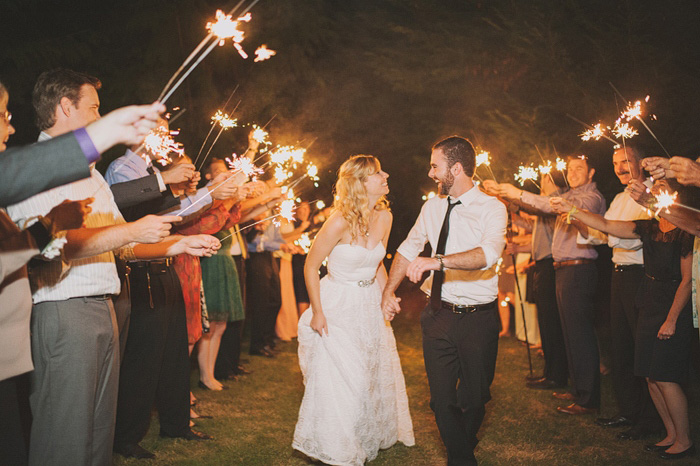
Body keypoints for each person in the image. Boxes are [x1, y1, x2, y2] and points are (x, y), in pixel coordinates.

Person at [6, 68, 219, 466]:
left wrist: (179, 243)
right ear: (65, 107)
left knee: (98, 433)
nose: (98, 117)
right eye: (94, 108)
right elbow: (51, 245)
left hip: (105, 305)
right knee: (65, 434)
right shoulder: (37, 171)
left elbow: (123, 243)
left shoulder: (89, 172)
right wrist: (129, 232)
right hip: (65, 310)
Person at [382, 137, 506, 465]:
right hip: (438, 314)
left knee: (475, 399)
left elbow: (487, 255)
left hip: (479, 318)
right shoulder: (431, 207)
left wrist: (439, 261)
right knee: (440, 401)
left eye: (435, 166)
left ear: (456, 168)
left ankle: (460, 450)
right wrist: (388, 291)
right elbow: (408, 249)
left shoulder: (492, 208)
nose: (430, 172)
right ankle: (462, 460)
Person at [551, 185, 695, 459]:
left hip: (672, 304)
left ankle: (685, 440)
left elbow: (688, 280)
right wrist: (572, 209)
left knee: (666, 376)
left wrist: (672, 319)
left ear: (676, 197)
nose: (657, 193)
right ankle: (670, 434)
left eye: (664, 189)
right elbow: (606, 224)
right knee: (650, 375)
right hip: (648, 300)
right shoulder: (648, 227)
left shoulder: (687, 230)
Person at [293, 155, 414, 464]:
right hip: (336, 305)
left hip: (368, 305)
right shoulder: (338, 221)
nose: (386, 175)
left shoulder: (385, 218)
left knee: (368, 377)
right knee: (344, 377)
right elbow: (310, 266)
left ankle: (358, 436)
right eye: (377, 173)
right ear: (361, 183)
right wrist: (317, 312)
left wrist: (387, 296)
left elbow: (378, 266)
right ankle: (339, 450)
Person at [493, 155, 606, 416]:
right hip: (563, 269)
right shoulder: (570, 196)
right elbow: (540, 212)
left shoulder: (590, 198)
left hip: (579, 269)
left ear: (591, 173)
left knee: (580, 335)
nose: (573, 173)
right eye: (570, 169)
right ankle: (578, 390)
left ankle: (588, 399)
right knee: (569, 334)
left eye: (579, 169)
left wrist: (517, 193)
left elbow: (554, 205)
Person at [573, 147, 662, 439]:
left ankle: (650, 421)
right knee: (621, 347)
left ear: (641, 163)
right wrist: (578, 220)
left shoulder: (654, 197)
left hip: (641, 277)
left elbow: (627, 232)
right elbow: (600, 234)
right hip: (617, 275)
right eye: (615, 163)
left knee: (641, 350)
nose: (620, 168)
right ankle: (629, 411)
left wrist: (578, 212)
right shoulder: (620, 198)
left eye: (625, 161)